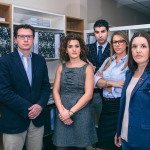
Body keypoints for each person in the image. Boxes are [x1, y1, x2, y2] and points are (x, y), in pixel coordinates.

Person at [0, 24, 50, 150]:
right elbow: (4, 92)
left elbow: (45, 86)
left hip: (37, 120)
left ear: (33, 39)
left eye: (29, 36)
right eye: (22, 36)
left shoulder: (40, 60)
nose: (26, 39)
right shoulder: (4, 61)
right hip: (14, 119)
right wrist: (29, 108)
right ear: (15, 39)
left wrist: (40, 105)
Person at [52, 33, 98, 150]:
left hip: (81, 113)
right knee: (60, 146)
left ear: (81, 49)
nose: (74, 49)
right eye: (70, 46)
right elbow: (56, 91)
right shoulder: (60, 67)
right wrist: (63, 113)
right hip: (63, 112)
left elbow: (88, 95)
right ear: (65, 50)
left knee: (80, 147)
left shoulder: (87, 68)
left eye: (77, 46)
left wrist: (70, 112)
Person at [115, 31, 150, 150]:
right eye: (134, 46)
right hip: (126, 137)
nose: (138, 50)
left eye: (143, 46)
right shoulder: (129, 73)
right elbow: (125, 106)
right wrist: (119, 130)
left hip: (145, 139)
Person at [94, 31, 129, 150]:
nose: (117, 45)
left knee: (118, 145)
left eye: (120, 41)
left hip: (120, 108)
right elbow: (95, 81)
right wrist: (112, 84)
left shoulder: (131, 63)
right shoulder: (108, 61)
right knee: (100, 146)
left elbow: (126, 85)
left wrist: (103, 83)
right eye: (114, 42)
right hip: (105, 108)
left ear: (127, 43)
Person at [86, 19, 110, 118]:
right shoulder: (86, 49)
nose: (100, 35)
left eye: (103, 31)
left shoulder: (114, 50)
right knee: (86, 125)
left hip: (105, 94)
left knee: (105, 126)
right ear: (94, 33)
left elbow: (111, 73)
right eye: (97, 32)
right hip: (87, 93)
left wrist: (94, 68)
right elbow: (83, 70)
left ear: (108, 32)